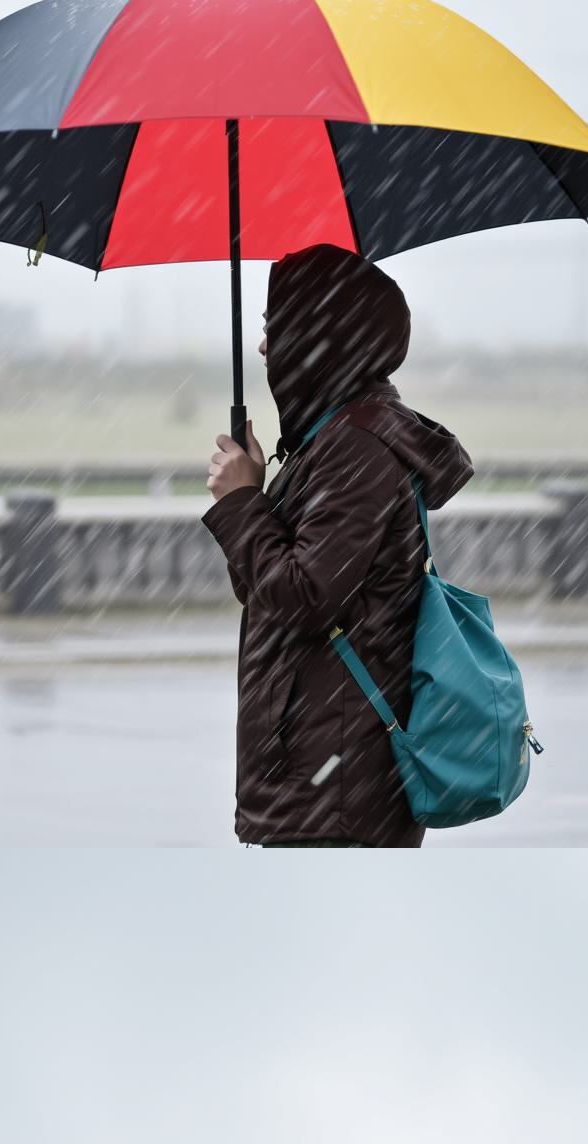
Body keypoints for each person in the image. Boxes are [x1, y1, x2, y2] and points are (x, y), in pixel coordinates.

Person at [201, 242, 476, 847]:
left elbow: (304, 597)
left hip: (336, 787)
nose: (264, 346)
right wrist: (254, 494)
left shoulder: (355, 448)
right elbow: (262, 588)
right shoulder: (331, 442)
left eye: (277, 326)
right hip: (323, 772)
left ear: (319, 334)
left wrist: (243, 503)